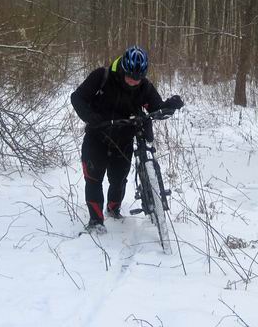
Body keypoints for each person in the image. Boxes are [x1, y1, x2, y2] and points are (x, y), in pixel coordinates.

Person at [70, 46, 184, 233]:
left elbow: (156, 107)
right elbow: (77, 98)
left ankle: (113, 210)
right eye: (131, 76)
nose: (134, 81)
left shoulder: (144, 86)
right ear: (123, 67)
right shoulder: (102, 76)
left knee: (118, 178)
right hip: (97, 136)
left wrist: (169, 105)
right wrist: (92, 117)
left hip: (123, 139)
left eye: (138, 78)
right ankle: (96, 221)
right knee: (93, 178)